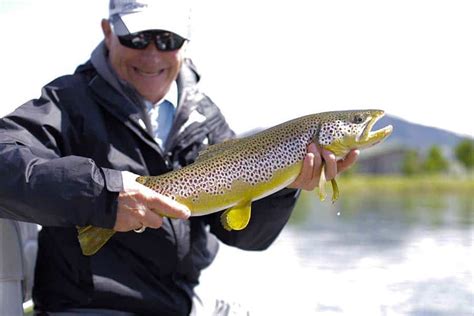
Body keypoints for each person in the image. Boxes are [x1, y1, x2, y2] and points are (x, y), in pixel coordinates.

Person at [0, 1, 358, 315]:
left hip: (179, 304)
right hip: (88, 307)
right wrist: (101, 196)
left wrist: (283, 186)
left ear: (186, 44)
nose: (152, 55)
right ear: (109, 32)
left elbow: (242, 234)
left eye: (168, 40)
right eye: (137, 38)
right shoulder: (68, 102)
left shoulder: (203, 116)